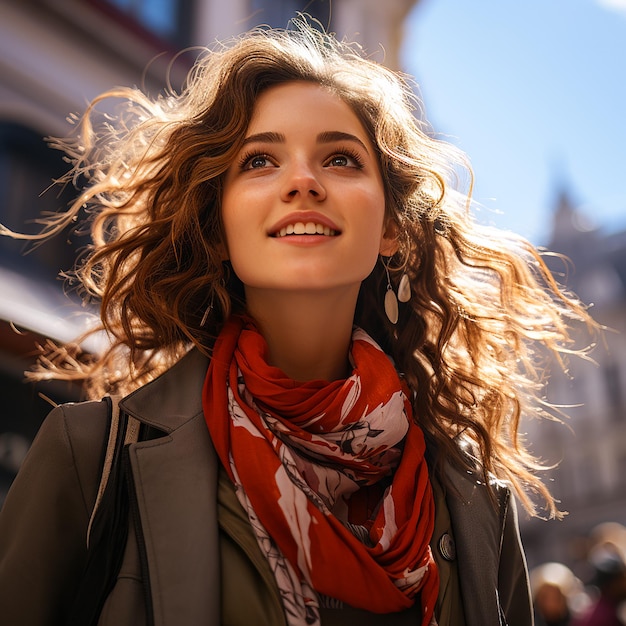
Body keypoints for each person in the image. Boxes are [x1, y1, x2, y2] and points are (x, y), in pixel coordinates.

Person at [0, 18, 595, 626]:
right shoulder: (90, 458)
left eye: (340, 158)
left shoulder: (475, 502)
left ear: (390, 228)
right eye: (260, 160)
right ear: (219, 222)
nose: (303, 182)